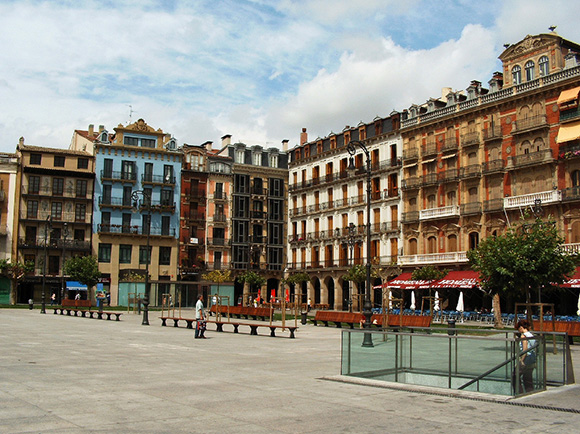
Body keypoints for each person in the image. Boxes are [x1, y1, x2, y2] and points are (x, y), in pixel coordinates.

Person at [514, 319, 536, 393]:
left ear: (521, 327)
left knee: (515, 375)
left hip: (526, 358)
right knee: (527, 377)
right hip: (532, 358)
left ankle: (519, 392)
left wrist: (521, 360)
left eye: (518, 328)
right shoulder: (531, 335)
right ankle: (530, 391)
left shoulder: (524, 336)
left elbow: (525, 349)